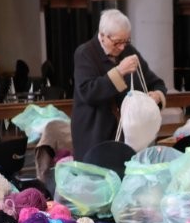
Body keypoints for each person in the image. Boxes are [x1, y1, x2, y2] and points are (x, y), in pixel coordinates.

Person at [71, 9, 167, 160]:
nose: (122, 47)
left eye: (126, 41)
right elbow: (88, 92)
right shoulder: (85, 53)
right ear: (103, 35)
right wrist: (119, 71)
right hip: (94, 135)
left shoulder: (129, 51)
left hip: (128, 138)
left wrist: (157, 95)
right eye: (117, 42)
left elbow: (156, 83)